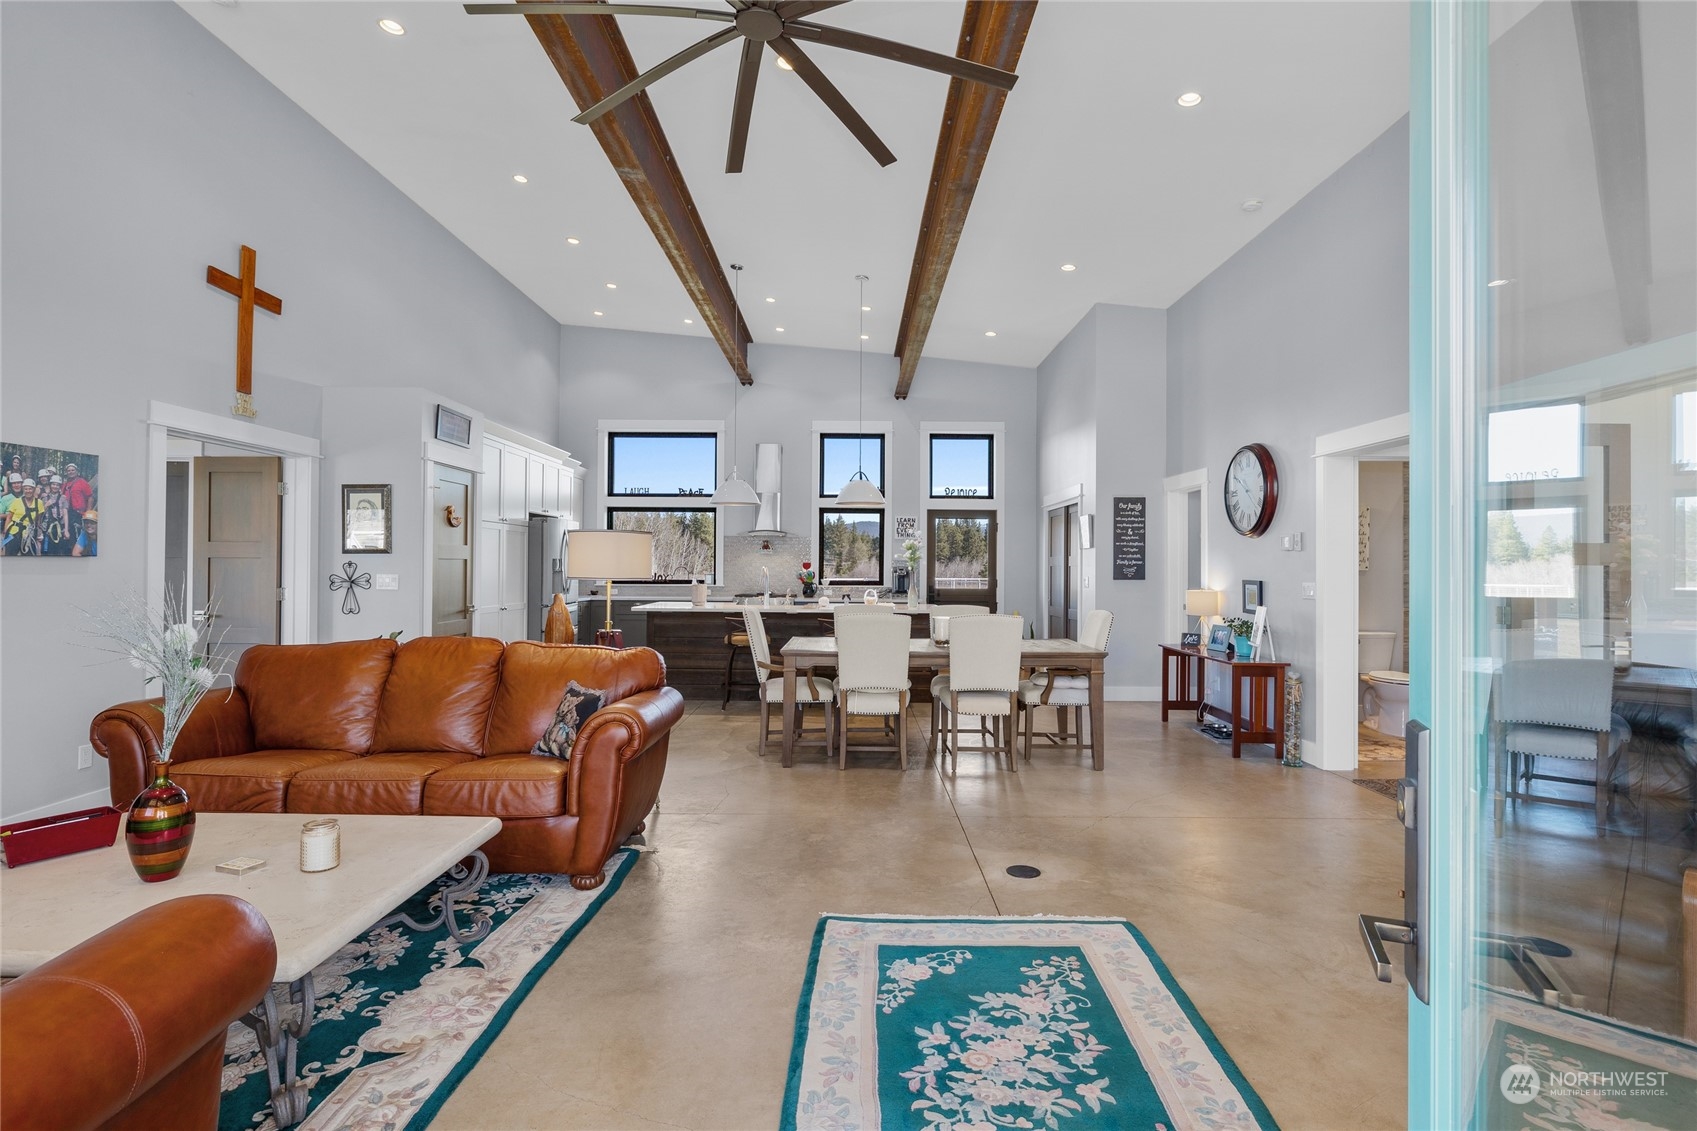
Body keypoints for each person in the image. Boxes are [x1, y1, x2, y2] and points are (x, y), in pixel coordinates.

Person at [3, 479, 45, 556]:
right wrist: (5, 532)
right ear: (23, 490)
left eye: (30, 488)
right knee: (10, 555)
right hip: (14, 532)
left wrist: (39, 533)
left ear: (34, 489)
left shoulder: (39, 503)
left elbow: (38, 520)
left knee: (28, 556)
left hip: (29, 533)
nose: (28, 491)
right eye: (26, 489)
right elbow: (9, 517)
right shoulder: (17, 501)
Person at [39, 476, 72, 555]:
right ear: (50, 485)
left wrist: (66, 530)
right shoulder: (45, 498)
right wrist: (46, 505)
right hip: (46, 528)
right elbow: (39, 515)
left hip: (59, 528)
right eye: (53, 484)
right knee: (46, 551)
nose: (55, 486)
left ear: (60, 486)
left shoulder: (63, 498)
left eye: (57, 485)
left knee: (58, 550)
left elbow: (65, 514)